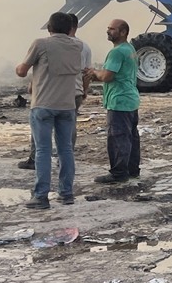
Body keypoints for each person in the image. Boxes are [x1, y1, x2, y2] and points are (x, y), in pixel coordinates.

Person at [15, 11, 83, 208]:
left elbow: (21, 71)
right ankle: (66, 193)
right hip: (67, 105)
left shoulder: (41, 44)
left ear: (49, 27)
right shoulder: (77, 45)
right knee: (66, 150)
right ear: (70, 28)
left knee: (43, 151)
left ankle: (41, 196)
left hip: (43, 105)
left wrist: (20, 65)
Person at [18, 13, 93, 169]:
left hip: (48, 96)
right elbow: (87, 73)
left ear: (50, 28)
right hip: (73, 94)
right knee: (68, 133)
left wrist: (33, 84)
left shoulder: (43, 44)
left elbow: (38, 70)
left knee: (41, 138)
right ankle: (65, 163)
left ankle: (35, 162)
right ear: (74, 27)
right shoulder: (82, 46)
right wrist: (85, 90)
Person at [88, 18, 140, 184]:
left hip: (119, 101)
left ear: (123, 32)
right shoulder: (130, 48)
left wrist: (94, 73)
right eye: (108, 28)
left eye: (112, 29)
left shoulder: (117, 52)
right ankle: (132, 170)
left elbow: (107, 76)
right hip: (130, 99)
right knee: (131, 137)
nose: (108, 31)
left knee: (118, 138)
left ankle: (118, 173)